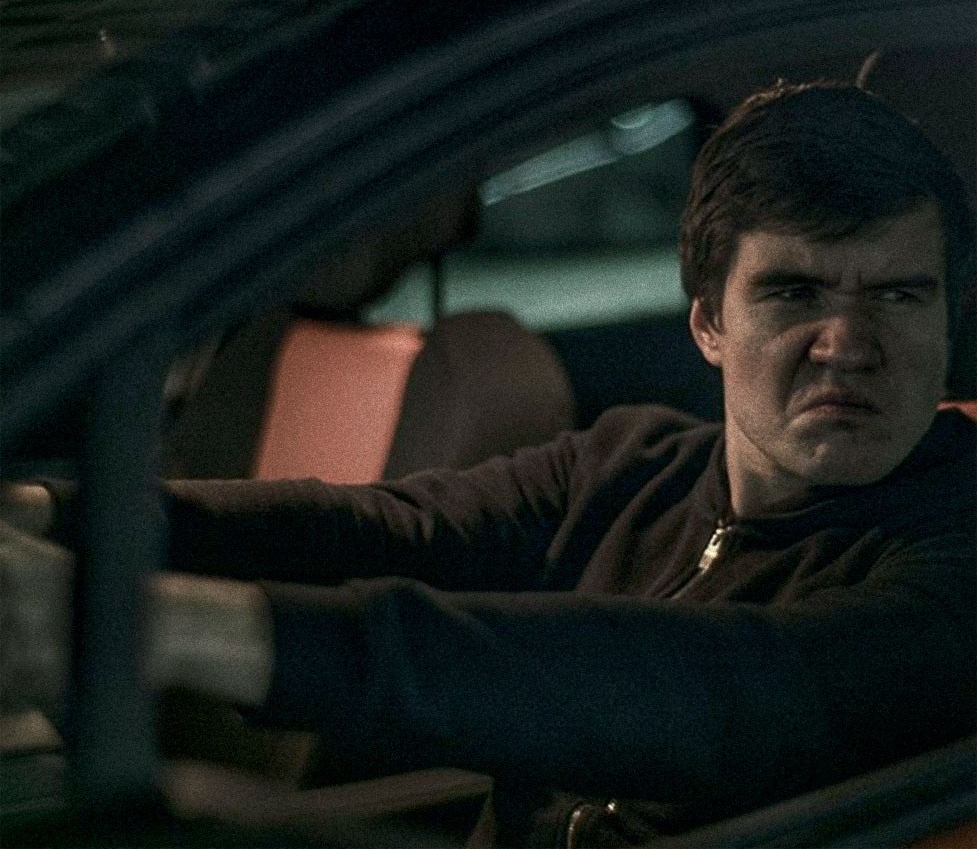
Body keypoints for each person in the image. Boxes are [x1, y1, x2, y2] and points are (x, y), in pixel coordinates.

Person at [2, 81, 975, 847]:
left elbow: (696, 687)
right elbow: (379, 529)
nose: (845, 343)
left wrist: (133, 624)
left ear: (946, 322)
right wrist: (48, 511)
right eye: (793, 292)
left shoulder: (959, 541)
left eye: (897, 295)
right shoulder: (630, 464)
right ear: (707, 321)